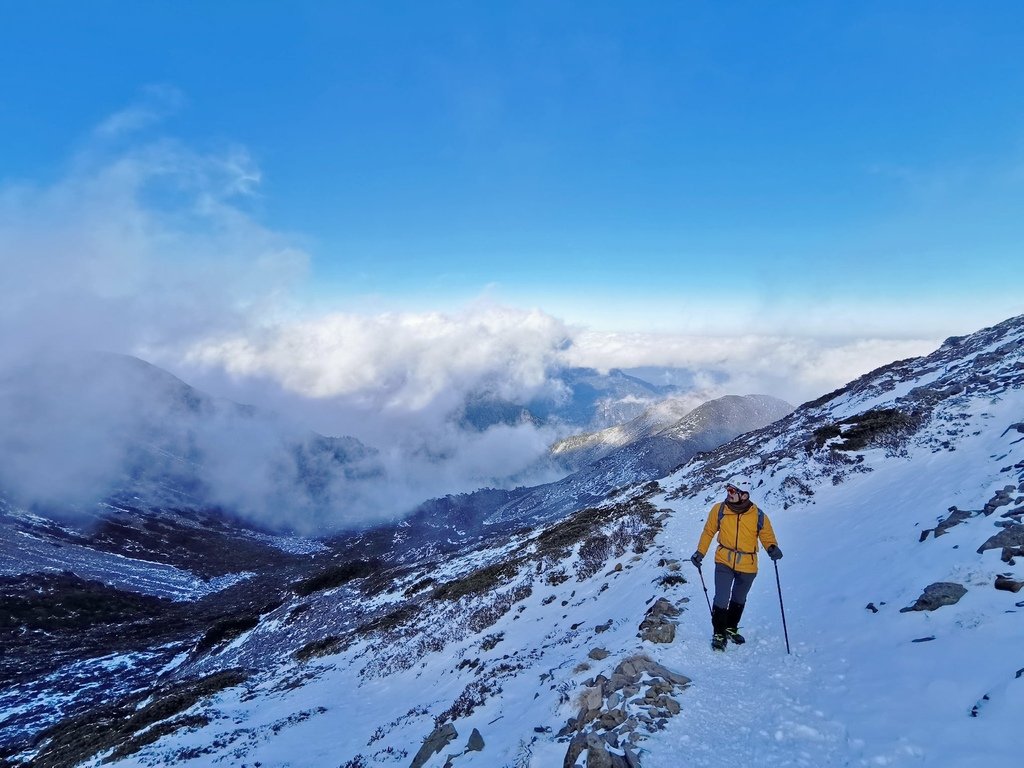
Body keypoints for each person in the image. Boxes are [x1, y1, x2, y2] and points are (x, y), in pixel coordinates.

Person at [690, 479, 782, 651]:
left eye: (733, 491)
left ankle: (731, 628)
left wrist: (772, 548)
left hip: (748, 565)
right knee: (721, 598)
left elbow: (767, 536)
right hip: (724, 560)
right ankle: (719, 633)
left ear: (744, 495)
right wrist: (700, 552)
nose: (728, 494)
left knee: (739, 599)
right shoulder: (719, 510)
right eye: (728, 490)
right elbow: (709, 531)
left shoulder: (758, 515)